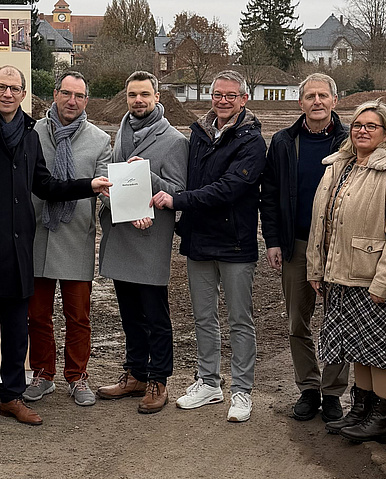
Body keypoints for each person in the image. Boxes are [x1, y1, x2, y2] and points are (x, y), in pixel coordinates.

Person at [0, 65, 111, 440]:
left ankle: (11, 397)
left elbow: (45, 186)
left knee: (17, 336)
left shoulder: (29, 136)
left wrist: (90, 184)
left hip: (19, 255)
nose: (8, 94)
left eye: (15, 88)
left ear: (23, 93)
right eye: (1, 87)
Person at [306, 100, 386, 444]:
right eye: (358, 124)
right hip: (343, 278)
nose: (362, 130)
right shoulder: (339, 166)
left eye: (371, 126)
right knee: (358, 350)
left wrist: (383, 280)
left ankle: (380, 421)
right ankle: (360, 412)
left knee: (383, 355)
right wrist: (317, 268)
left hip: (380, 284)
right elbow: (322, 224)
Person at [153, 70, 266, 423]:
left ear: (244, 99)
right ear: (211, 96)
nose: (223, 100)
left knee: (239, 320)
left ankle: (242, 392)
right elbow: (186, 177)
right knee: (203, 317)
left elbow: (228, 188)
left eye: (231, 96)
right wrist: (152, 178)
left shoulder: (252, 142)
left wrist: (177, 200)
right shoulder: (198, 134)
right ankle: (209, 382)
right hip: (199, 239)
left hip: (235, 242)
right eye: (218, 94)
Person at [95, 71, 188, 414]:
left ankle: (159, 379)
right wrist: (111, 199)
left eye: (145, 94)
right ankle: (135, 373)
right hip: (122, 234)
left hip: (149, 239)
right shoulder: (119, 134)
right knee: (130, 314)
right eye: (133, 94)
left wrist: (147, 175)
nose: (138, 100)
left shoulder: (175, 140)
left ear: (157, 97)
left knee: (155, 316)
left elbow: (178, 191)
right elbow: (114, 183)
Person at [260, 73, 350, 422]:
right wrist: (272, 240)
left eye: (323, 95)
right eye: (310, 96)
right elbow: (269, 194)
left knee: (338, 321)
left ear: (334, 101)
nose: (316, 101)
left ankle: (333, 392)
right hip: (296, 245)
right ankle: (309, 388)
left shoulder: (349, 141)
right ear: (300, 103)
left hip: (338, 249)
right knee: (298, 320)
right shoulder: (284, 142)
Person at [24, 71, 111, 407]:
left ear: (86, 100)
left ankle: (77, 376)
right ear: (55, 94)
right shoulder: (32, 134)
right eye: (66, 94)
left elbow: (105, 189)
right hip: (37, 237)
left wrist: (128, 207)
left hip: (76, 237)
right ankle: (43, 374)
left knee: (78, 315)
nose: (72, 101)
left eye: (79, 95)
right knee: (38, 314)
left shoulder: (100, 140)